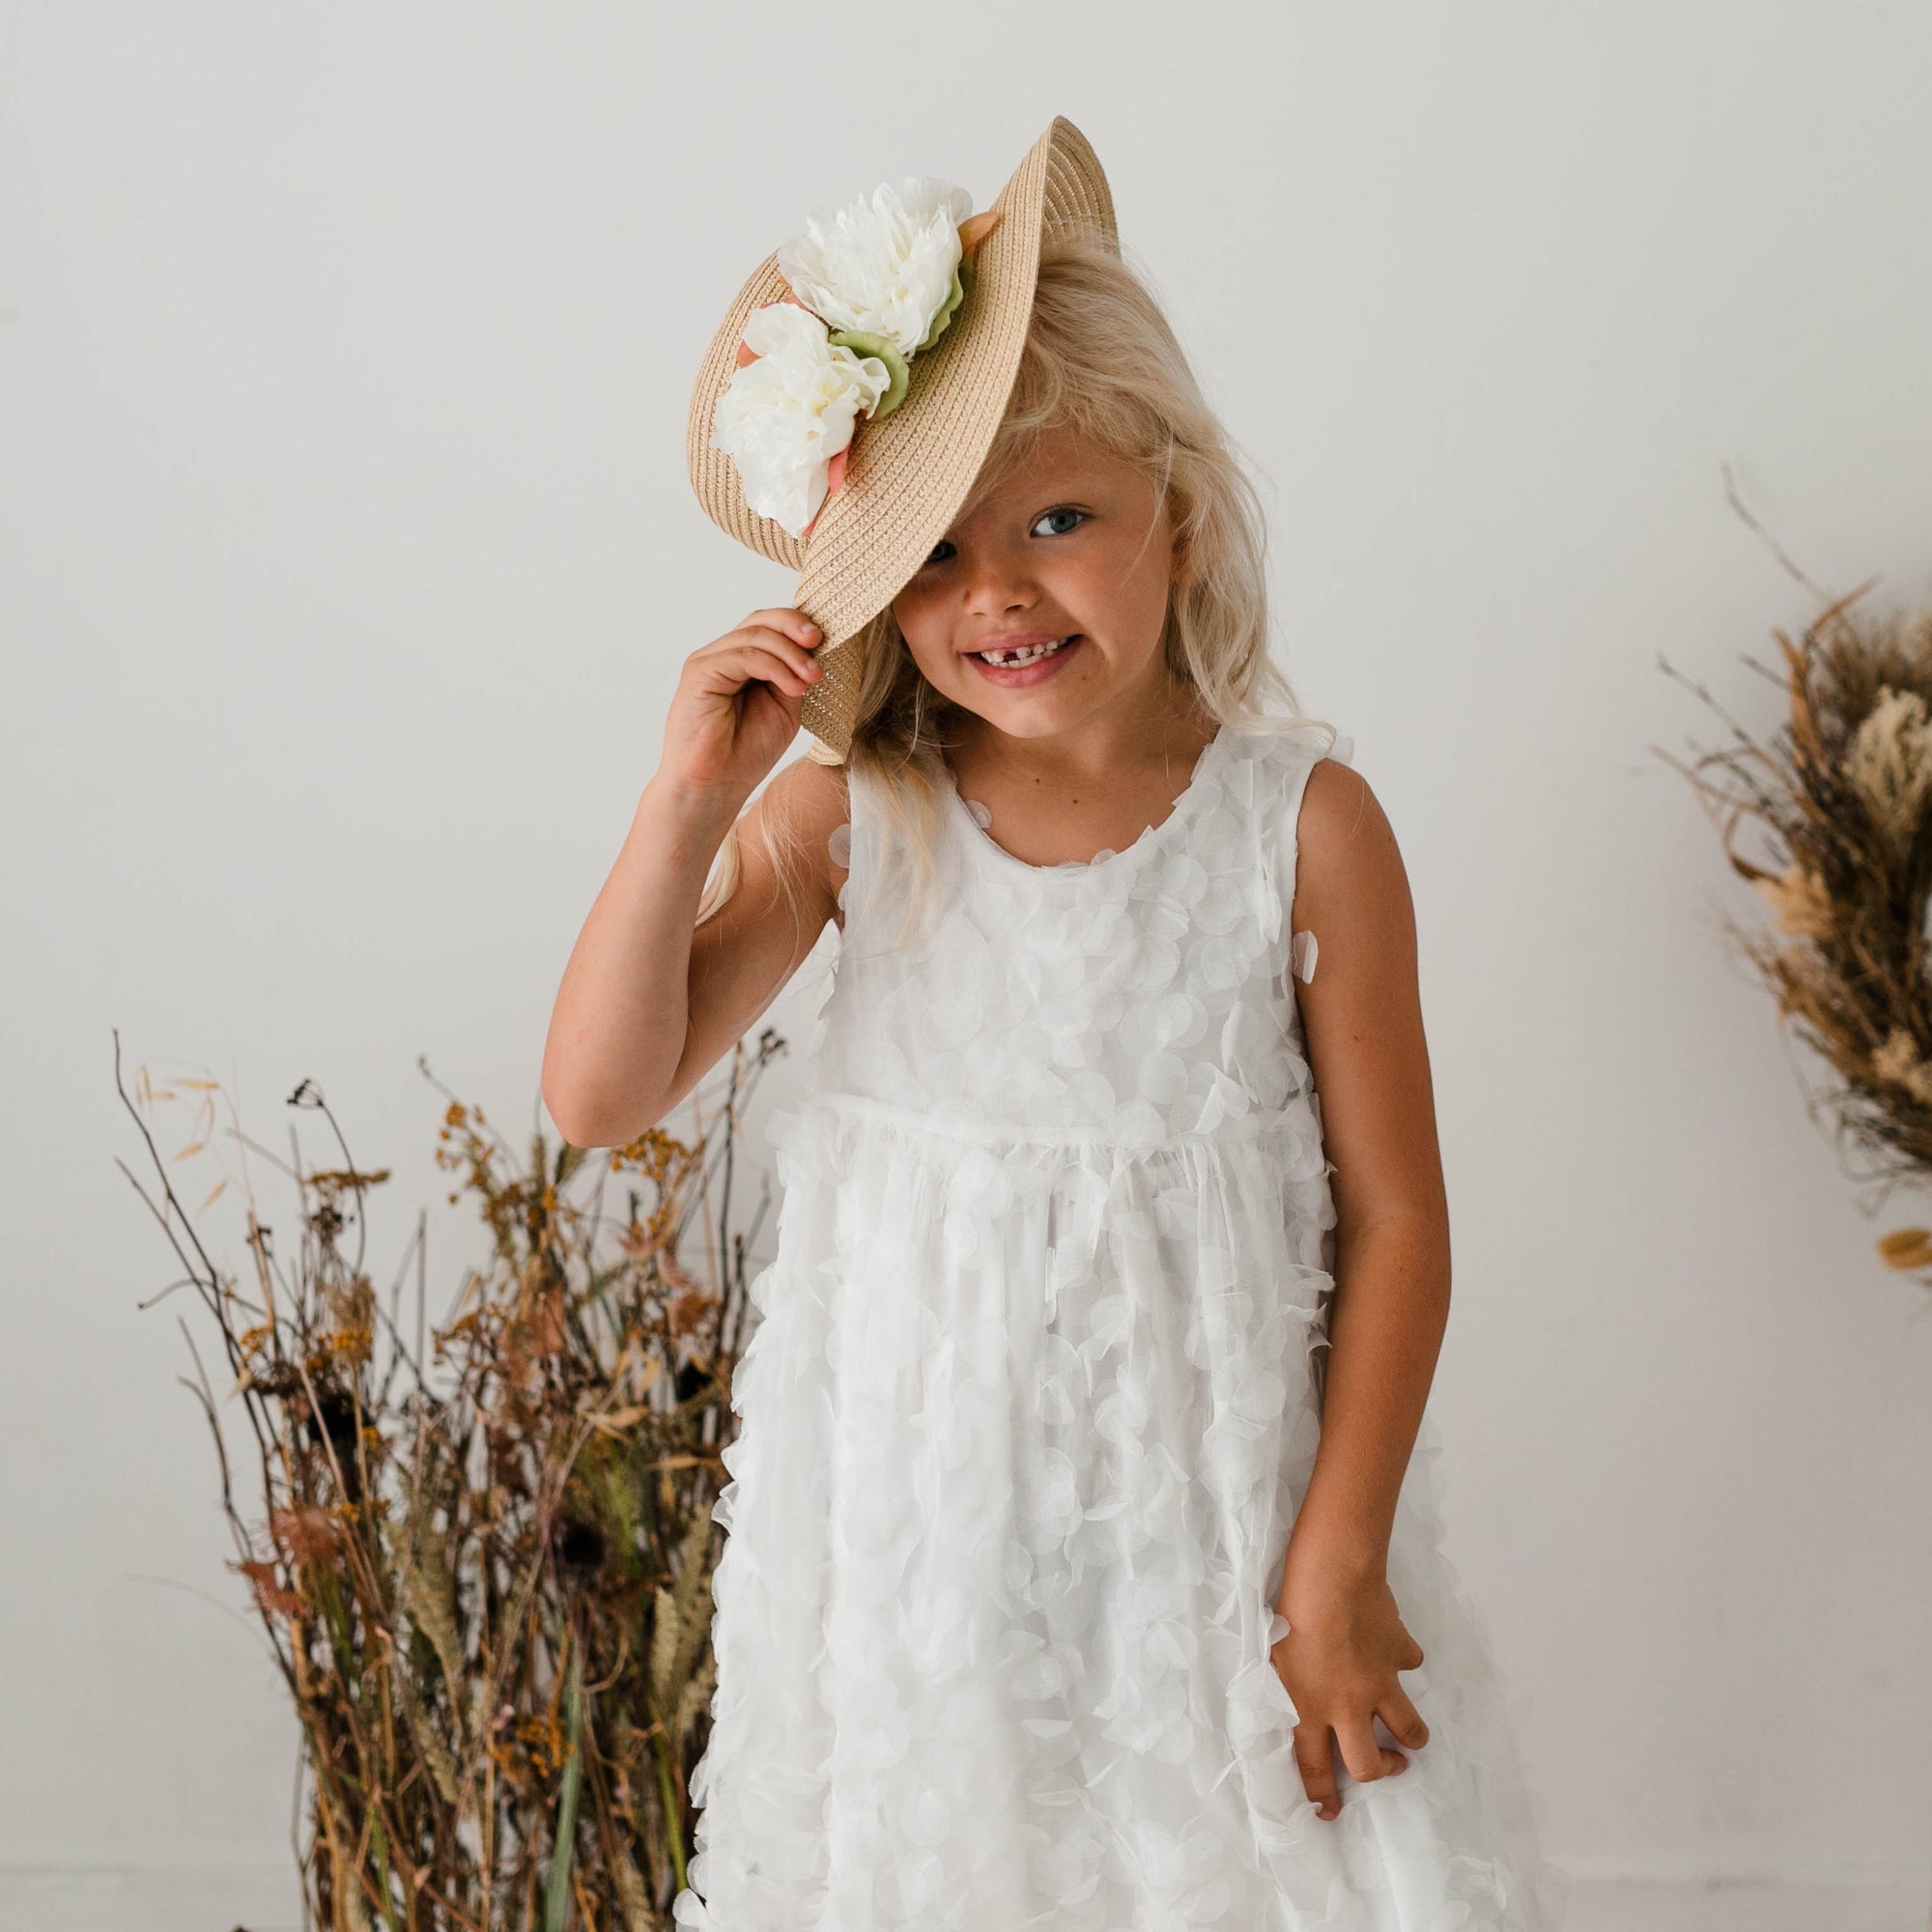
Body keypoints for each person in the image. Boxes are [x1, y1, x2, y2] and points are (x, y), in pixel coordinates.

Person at [544, 117, 1561, 1931]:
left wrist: (1333, 1560)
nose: (998, 592)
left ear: (1179, 500)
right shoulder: (858, 816)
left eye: (1059, 520)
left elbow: (1399, 1214)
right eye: (932, 556)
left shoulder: (1298, 827)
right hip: (920, 1564)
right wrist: (687, 803)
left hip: (1218, 1530)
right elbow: (603, 1093)